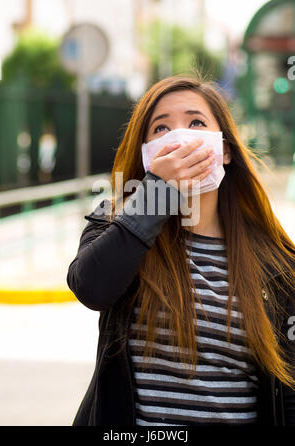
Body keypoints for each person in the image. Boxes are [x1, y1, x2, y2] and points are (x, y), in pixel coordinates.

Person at [66, 75, 294, 426]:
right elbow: (92, 287)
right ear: (146, 154)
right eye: (161, 128)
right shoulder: (115, 224)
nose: (178, 138)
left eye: (196, 123)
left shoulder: (276, 262)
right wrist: (156, 194)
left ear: (226, 150)